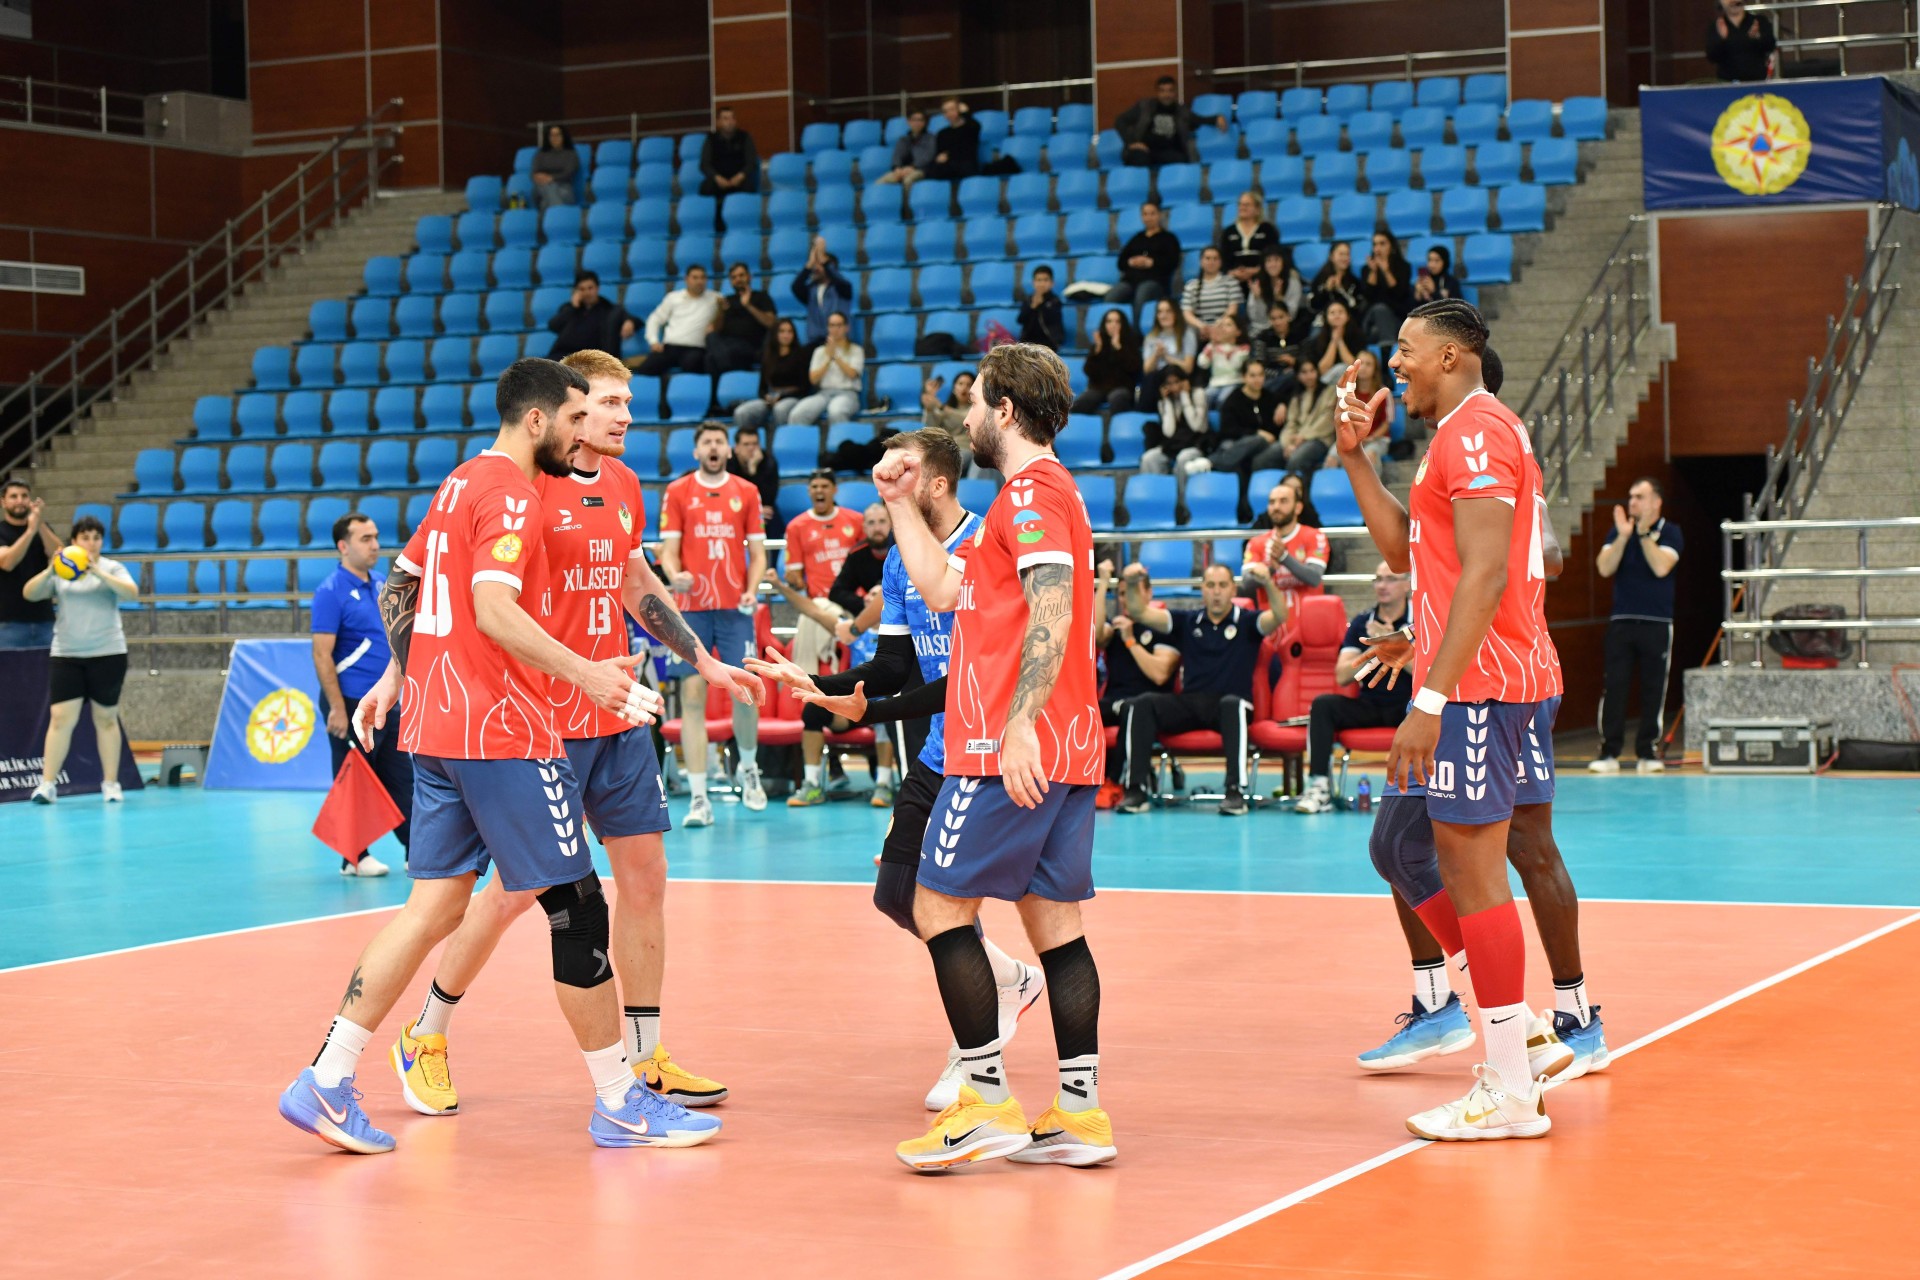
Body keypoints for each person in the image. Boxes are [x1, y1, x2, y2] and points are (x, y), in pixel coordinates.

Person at [276, 358, 694, 1156]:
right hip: (501, 729)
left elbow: (410, 590)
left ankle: (325, 1077)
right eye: (575, 418)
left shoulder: (457, 483)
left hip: (436, 728)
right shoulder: (511, 493)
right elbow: (492, 610)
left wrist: (403, 674)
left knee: (433, 907)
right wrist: (588, 675)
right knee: (577, 907)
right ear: (538, 420)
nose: (583, 433)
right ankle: (621, 1102)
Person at [393, 350, 759, 1122]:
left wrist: (701, 658)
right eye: (610, 403)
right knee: (513, 894)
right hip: (536, 719)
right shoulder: (520, 482)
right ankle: (426, 1033)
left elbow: (634, 582)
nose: (625, 415)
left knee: (646, 876)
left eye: (628, 401)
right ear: (571, 411)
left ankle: (646, 1056)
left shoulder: (622, 483)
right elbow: (429, 585)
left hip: (615, 711)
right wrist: (406, 673)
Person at [1329, 298, 1574, 1142]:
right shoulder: (1461, 435)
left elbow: (1485, 575)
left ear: (1449, 355)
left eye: (1406, 349)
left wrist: (1430, 700)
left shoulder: (1475, 432)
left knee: (1474, 873)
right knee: (1406, 848)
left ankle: (1510, 1088)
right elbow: (1412, 553)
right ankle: (1522, 1038)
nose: (1394, 363)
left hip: (1479, 688)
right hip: (1482, 679)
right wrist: (1354, 459)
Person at [746, 428, 1046, 1112]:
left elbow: (971, 677)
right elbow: (891, 666)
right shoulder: (897, 562)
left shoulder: (986, 547)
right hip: (941, 751)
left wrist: (873, 711)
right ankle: (1008, 981)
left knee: (947, 905)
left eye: (897, 478)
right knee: (897, 893)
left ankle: (975, 1055)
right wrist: (821, 685)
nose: (884, 491)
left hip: (993, 753)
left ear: (935, 484)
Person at [870, 342, 1116, 1169]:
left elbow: (1054, 606)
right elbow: (946, 590)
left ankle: (983, 1101)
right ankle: (1079, 1115)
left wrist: (1018, 725)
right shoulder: (1028, 498)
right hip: (1063, 750)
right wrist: (901, 504)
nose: (967, 416)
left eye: (976, 402)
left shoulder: (1035, 493)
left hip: (1004, 748)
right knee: (1056, 929)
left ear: (1005, 411)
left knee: (937, 908)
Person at [1347, 467, 1606, 1085]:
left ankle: (1544, 1023)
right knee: (1423, 845)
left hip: (1489, 684)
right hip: (1483, 675)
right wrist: (1423, 630)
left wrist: (1438, 624)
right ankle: (1493, 1010)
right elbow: (1446, 557)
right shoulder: (1466, 461)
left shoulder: (1484, 454)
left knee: (1471, 846)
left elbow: (1537, 558)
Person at [657, 422, 770, 826]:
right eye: (706, 442)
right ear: (696, 452)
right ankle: (699, 798)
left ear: (728, 450)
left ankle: (749, 769)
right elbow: (668, 550)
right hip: (691, 610)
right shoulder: (678, 491)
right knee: (691, 696)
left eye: (719, 441)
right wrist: (675, 575)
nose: (713, 447)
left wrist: (752, 589)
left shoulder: (747, 491)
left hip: (735, 610)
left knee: (746, 690)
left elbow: (758, 554)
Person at [1115, 560, 1287, 816]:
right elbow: (1139, 612)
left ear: (1233, 590)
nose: (1216, 591)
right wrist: (1131, 583)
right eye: (1211, 585)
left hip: (1230, 704)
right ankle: (1136, 790)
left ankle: (1235, 792)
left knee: (1233, 705)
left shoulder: (1247, 621)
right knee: (1142, 703)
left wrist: (1268, 583)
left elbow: (1280, 616)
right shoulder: (1188, 620)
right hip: (1193, 702)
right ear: (1202, 589)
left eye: (1223, 585)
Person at [778, 502, 899, 806]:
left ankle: (884, 785)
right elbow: (813, 611)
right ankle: (811, 785)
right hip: (851, 707)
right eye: (870, 596)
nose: (874, 600)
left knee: (887, 708)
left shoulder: (900, 630)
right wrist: (781, 587)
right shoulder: (853, 630)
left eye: (880, 596)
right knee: (813, 711)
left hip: (883, 704)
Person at [310, 510, 408, 877]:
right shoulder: (329, 592)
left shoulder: (383, 583)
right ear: (343, 546)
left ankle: (417, 850)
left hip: (384, 700)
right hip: (350, 701)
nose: (375, 545)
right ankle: (354, 857)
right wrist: (336, 708)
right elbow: (321, 654)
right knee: (356, 779)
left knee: (402, 777)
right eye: (365, 539)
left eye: (376, 537)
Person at [22, 512, 137, 804]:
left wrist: (98, 573)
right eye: (85, 538)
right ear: (74, 542)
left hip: (108, 653)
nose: (91, 543)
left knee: (106, 718)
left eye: (96, 538)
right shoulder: (61, 571)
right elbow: (29, 593)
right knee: (61, 718)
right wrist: (51, 570)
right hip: (67, 655)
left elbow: (131, 593)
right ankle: (48, 785)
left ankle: (110, 783)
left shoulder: (112, 567)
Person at [1293, 562, 1410, 814]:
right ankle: (1320, 787)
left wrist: (1394, 645)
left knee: (1438, 709)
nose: (1382, 585)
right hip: (1370, 704)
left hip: (1408, 707)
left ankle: (1431, 790)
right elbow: (1343, 675)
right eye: (1378, 579)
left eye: (1390, 579)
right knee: (1323, 705)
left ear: (1408, 584)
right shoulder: (1361, 623)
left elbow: (1431, 671)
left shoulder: (1419, 621)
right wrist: (1376, 648)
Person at [1591, 477, 1681, 773]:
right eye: (1630, 496)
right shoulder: (1620, 531)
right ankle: (1608, 752)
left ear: (1656, 501)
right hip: (1622, 621)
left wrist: (1643, 536)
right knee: (1615, 685)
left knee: (1654, 687)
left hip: (1657, 623)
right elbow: (1604, 568)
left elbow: (1661, 566)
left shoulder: (1670, 532)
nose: (1632, 502)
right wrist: (1622, 537)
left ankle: (1647, 751)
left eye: (1639, 497)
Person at [1092, 559, 1177, 806]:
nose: (1126, 598)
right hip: (1114, 701)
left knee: (1133, 709)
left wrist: (1130, 641)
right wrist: (1103, 583)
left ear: (1149, 593)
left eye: (1133, 590)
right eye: (1121, 593)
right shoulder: (1115, 627)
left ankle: (1119, 783)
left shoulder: (1163, 627)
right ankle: (1075, 784)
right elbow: (1094, 636)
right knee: (1080, 711)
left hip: (1148, 705)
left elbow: (1159, 674)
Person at [780, 470, 863, 677]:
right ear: (809, 491)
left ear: (834, 490)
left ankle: (804, 679)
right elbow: (798, 581)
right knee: (815, 611)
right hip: (820, 603)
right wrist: (791, 581)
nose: (820, 491)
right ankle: (809, 681)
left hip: (852, 602)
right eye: (815, 487)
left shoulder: (856, 520)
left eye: (825, 486)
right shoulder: (796, 527)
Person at [1239, 480, 1328, 617]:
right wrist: (1271, 569)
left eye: (1283, 501)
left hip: (1309, 621)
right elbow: (1246, 584)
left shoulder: (1315, 536)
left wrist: (1284, 558)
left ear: (1298, 508)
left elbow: (1314, 578)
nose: (1276, 507)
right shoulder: (1256, 542)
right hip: (1271, 624)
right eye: (1272, 502)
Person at [1194, 358, 1285, 480]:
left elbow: (1287, 399)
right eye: (1252, 375)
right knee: (1243, 444)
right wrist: (1256, 433)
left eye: (1260, 375)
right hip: (1239, 441)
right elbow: (1228, 430)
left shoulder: (1270, 398)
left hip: (1266, 444)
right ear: (1243, 377)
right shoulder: (1233, 400)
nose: (1257, 379)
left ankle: (1211, 463)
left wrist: (1282, 405)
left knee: (1270, 448)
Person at [0, 478, 61, 649]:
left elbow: (60, 556)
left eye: (24, 496)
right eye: (14, 496)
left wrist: (39, 524)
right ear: (3, 502)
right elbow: (7, 563)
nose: (20, 501)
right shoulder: (1, 531)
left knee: (49, 667)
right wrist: (30, 531)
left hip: (44, 619)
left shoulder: (42, 528)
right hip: (9, 623)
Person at [1115, 75, 1224, 168]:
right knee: (1138, 158)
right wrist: (1131, 143)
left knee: (1181, 160)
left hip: (1169, 152)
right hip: (1145, 150)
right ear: (1157, 92)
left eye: (1170, 91)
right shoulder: (1144, 107)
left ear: (1175, 92)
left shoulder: (1182, 111)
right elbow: (1120, 121)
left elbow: (1199, 119)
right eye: (1162, 91)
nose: (1166, 95)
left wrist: (1216, 118)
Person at [637, 264, 720, 379]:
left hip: (696, 349)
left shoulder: (716, 299)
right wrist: (653, 341)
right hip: (670, 348)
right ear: (686, 279)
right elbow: (654, 319)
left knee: (693, 365)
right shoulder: (673, 297)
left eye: (702, 278)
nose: (699, 281)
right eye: (695, 278)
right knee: (645, 370)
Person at [732, 317, 810, 431]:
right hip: (771, 397)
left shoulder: (801, 355)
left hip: (793, 397)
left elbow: (804, 388)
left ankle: (782, 440)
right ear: (775, 334)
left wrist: (782, 397)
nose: (786, 335)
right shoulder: (768, 356)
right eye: (782, 331)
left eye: (790, 332)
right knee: (742, 412)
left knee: (780, 409)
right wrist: (766, 397)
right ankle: (746, 440)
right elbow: (762, 389)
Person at [704, 261, 776, 381]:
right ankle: (727, 370)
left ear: (749, 277)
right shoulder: (727, 300)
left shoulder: (762, 296)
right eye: (734, 277)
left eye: (741, 275)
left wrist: (748, 306)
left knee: (712, 358)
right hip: (726, 344)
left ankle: (726, 375)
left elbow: (771, 323)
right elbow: (716, 329)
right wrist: (721, 312)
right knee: (710, 338)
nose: (738, 279)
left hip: (751, 346)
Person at [789, 311, 864, 425]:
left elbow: (852, 374)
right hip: (823, 394)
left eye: (839, 325)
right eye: (832, 325)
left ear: (846, 327)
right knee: (798, 414)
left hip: (848, 394)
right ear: (828, 328)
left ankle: (840, 437)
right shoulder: (819, 351)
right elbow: (813, 380)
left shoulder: (856, 350)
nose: (835, 329)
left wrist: (835, 356)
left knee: (836, 411)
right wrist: (828, 359)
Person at [547, 271, 636, 362]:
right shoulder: (569, 308)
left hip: (590, 359)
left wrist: (629, 321)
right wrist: (572, 308)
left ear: (597, 288)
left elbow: (632, 318)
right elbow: (553, 326)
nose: (587, 293)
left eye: (590, 288)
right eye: (582, 289)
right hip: (562, 355)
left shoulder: (609, 310)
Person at [1141, 365, 1208, 476]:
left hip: (1196, 444)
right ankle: (1157, 487)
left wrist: (1185, 397)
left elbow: (1197, 427)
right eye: (1169, 384)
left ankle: (1182, 488)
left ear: (1185, 381)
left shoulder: (1198, 394)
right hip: (1173, 445)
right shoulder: (1163, 401)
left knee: (1183, 458)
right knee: (1149, 458)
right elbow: (1169, 432)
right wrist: (1167, 402)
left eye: (1177, 382)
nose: (1175, 387)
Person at [1110, 201, 1180, 306]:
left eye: (1152, 214)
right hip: (1131, 281)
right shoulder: (1137, 238)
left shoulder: (1169, 238)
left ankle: (1138, 318)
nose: (1148, 218)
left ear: (1159, 215)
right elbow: (1121, 262)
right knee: (1112, 296)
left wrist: (1152, 263)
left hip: (1156, 282)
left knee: (1142, 293)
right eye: (1145, 214)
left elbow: (1173, 262)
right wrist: (1131, 262)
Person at [1074, 309, 1142, 413]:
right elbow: (1088, 371)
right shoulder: (1099, 344)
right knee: (1081, 402)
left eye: (1117, 321)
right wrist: (1097, 351)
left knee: (1117, 399)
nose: (1113, 325)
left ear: (1123, 324)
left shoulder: (1131, 343)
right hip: (1098, 388)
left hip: (1122, 387)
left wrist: (1118, 348)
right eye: (1109, 321)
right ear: (1104, 324)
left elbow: (1134, 368)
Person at [793, 238, 854, 345]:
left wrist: (823, 259)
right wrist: (809, 264)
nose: (816, 268)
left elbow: (839, 280)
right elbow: (796, 287)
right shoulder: (811, 290)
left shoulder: (842, 288)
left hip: (839, 341)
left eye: (820, 265)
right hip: (815, 342)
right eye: (815, 265)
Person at [1358, 231, 1413, 346]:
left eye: (1382, 244)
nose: (1377, 248)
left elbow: (1399, 294)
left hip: (1396, 318)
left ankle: (1385, 346)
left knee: (1377, 330)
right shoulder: (1366, 270)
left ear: (1392, 247)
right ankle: (1388, 348)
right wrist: (1374, 272)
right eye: (1375, 244)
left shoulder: (1403, 267)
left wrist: (1386, 271)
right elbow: (1368, 297)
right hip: (1371, 319)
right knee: (1379, 309)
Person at [1140, 296, 1197, 408]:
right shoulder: (1151, 337)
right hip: (1157, 378)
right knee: (1151, 377)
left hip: (1178, 375)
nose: (1163, 316)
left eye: (1168, 311)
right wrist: (1156, 355)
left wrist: (1167, 358)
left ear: (1176, 313)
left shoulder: (1187, 334)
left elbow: (1188, 368)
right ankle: (1145, 411)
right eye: (1160, 312)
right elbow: (1147, 370)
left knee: (1167, 373)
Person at [1218, 191, 1280, 285]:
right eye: (1240, 204)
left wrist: (1256, 270)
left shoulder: (1267, 229)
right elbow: (1223, 258)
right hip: (1233, 279)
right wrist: (1232, 272)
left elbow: (1275, 253)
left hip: (1262, 276)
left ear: (1257, 208)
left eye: (1247, 205)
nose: (1242, 207)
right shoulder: (1229, 231)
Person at [1180, 245, 1240, 342]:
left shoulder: (1231, 282)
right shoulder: (1191, 285)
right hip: (1200, 330)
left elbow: (1232, 310)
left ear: (1221, 262)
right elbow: (1187, 313)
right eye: (1207, 258)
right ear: (1201, 261)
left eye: (1215, 259)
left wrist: (1216, 327)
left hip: (1223, 327)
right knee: (1188, 333)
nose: (1211, 262)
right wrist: (1201, 326)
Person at [1706, 0, 1776, 82]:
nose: (1733, 1)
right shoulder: (1716, 25)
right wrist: (1721, 39)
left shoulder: (1759, 21)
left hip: (1756, 82)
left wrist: (1757, 36)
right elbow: (1711, 57)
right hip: (1727, 83)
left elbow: (1771, 45)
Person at [921, 369, 976, 472]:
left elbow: (964, 420)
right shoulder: (945, 409)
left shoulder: (975, 408)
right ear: (954, 388)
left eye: (968, 385)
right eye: (960, 384)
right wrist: (929, 409)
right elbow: (930, 427)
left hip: (965, 450)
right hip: (945, 450)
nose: (964, 388)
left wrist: (940, 406)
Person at [1247, 246, 1304, 344]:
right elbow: (1256, 319)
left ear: (1283, 262)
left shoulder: (1293, 283)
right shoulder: (1257, 284)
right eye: (1268, 261)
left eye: (1277, 260)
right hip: (1261, 330)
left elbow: (1291, 315)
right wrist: (1258, 298)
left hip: (1286, 331)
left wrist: (1279, 300)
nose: (1273, 264)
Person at [698, 106, 759, 196]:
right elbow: (704, 164)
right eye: (726, 119)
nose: (730, 122)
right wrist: (717, 178)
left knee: (749, 188)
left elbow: (752, 163)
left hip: (739, 180)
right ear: (718, 122)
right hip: (718, 180)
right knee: (705, 189)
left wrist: (740, 177)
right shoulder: (711, 139)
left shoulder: (744, 137)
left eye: (732, 118)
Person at [727, 422, 781, 523]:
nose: (751, 448)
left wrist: (753, 470)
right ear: (736, 448)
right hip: (735, 508)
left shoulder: (769, 462)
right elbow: (729, 496)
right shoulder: (728, 463)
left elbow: (768, 498)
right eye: (746, 444)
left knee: (770, 516)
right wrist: (753, 511)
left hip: (763, 510)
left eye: (755, 444)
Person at [1197, 311, 1250, 408]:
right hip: (1215, 383)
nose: (1224, 328)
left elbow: (1237, 365)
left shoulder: (1242, 349)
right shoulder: (1213, 347)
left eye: (1229, 325)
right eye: (1222, 326)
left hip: (1234, 382)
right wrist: (1212, 344)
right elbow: (1202, 363)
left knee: (1223, 399)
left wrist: (1230, 352)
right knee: (1203, 397)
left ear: (1238, 332)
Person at [922, 98, 981, 182]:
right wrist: (940, 157)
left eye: (952, 109)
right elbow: (940, 152)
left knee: (966, 167)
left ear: (959, 110)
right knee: (932, 170)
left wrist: (965, 113)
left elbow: (975, 126)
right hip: (948, 166)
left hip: (965, 166)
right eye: (945, 111)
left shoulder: (970, 128)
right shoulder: (942, 133)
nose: (949, 113)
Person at [1306, 298, 1363, 382]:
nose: (1337, 315)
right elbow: (1323, 370)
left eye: (1340, 312)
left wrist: (1340, 341)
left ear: (1348, 316)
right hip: (1328, 382)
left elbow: (1354, 367)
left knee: (1342, 368)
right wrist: (1334, 341)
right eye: (1332, 313)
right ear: (1326, 318)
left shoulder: (1358, 336)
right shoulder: (1318, 340)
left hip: (1352, 381)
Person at [876, 108, 936, 185]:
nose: (917, 123)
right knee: (880, 182)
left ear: (924, 122)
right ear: (908, 121)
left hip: (921, 169)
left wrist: (913, 167)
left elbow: (928, 156)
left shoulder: (931, 138)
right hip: (902, 170)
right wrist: (897, 168)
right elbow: (897, 155)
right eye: (914, 120)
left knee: (908, 180)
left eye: (920, 120)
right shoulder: (903, 139)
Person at [1308, 240, 1362, 323]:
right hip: (1323, 322)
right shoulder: (1320, 279)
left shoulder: (1354, 281)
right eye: (1341, 254)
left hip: (1348, 323)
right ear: (1331, 256)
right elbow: (1313, 306)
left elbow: (1355, 307)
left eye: (1347, 254)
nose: (1345, 258)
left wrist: (1340, 290)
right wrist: (1326, 290)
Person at [1250, 303, 1302, 388]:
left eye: (1281, 317)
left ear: (1288, 316)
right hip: (1271, 377)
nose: (1278, 322)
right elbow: (1259, 366)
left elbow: (1307, 361)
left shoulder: (1299, 335)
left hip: (1296, 374)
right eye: (1273, 319)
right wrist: (1279, 374)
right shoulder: (1262, 338)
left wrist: (1295, 362)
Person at [531, 123, 578, 209]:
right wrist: (542, 179)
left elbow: (568, 173)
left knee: (545, 203)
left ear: (563, 136)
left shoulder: (571, 154)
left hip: (564, 187)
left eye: (557, 135)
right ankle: (559, 212)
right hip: (540, 187)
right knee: (548, 187)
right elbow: (534, 173)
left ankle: (548, 215)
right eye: (552, 135)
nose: (554, 138)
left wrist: (551, 178)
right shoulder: (541, 154)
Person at [1017, 265, 1065, 351]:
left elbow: (1053, 319)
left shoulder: (1055, 300)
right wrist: (1033, 307)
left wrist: (1042, 304)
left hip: (1049, 342)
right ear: (1033, 283)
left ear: (1052, 283)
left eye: (1045, 280)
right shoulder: (1028, 299)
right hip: (1028, 342)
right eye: (1039, 280)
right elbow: (1020, 319)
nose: (1042, 284)